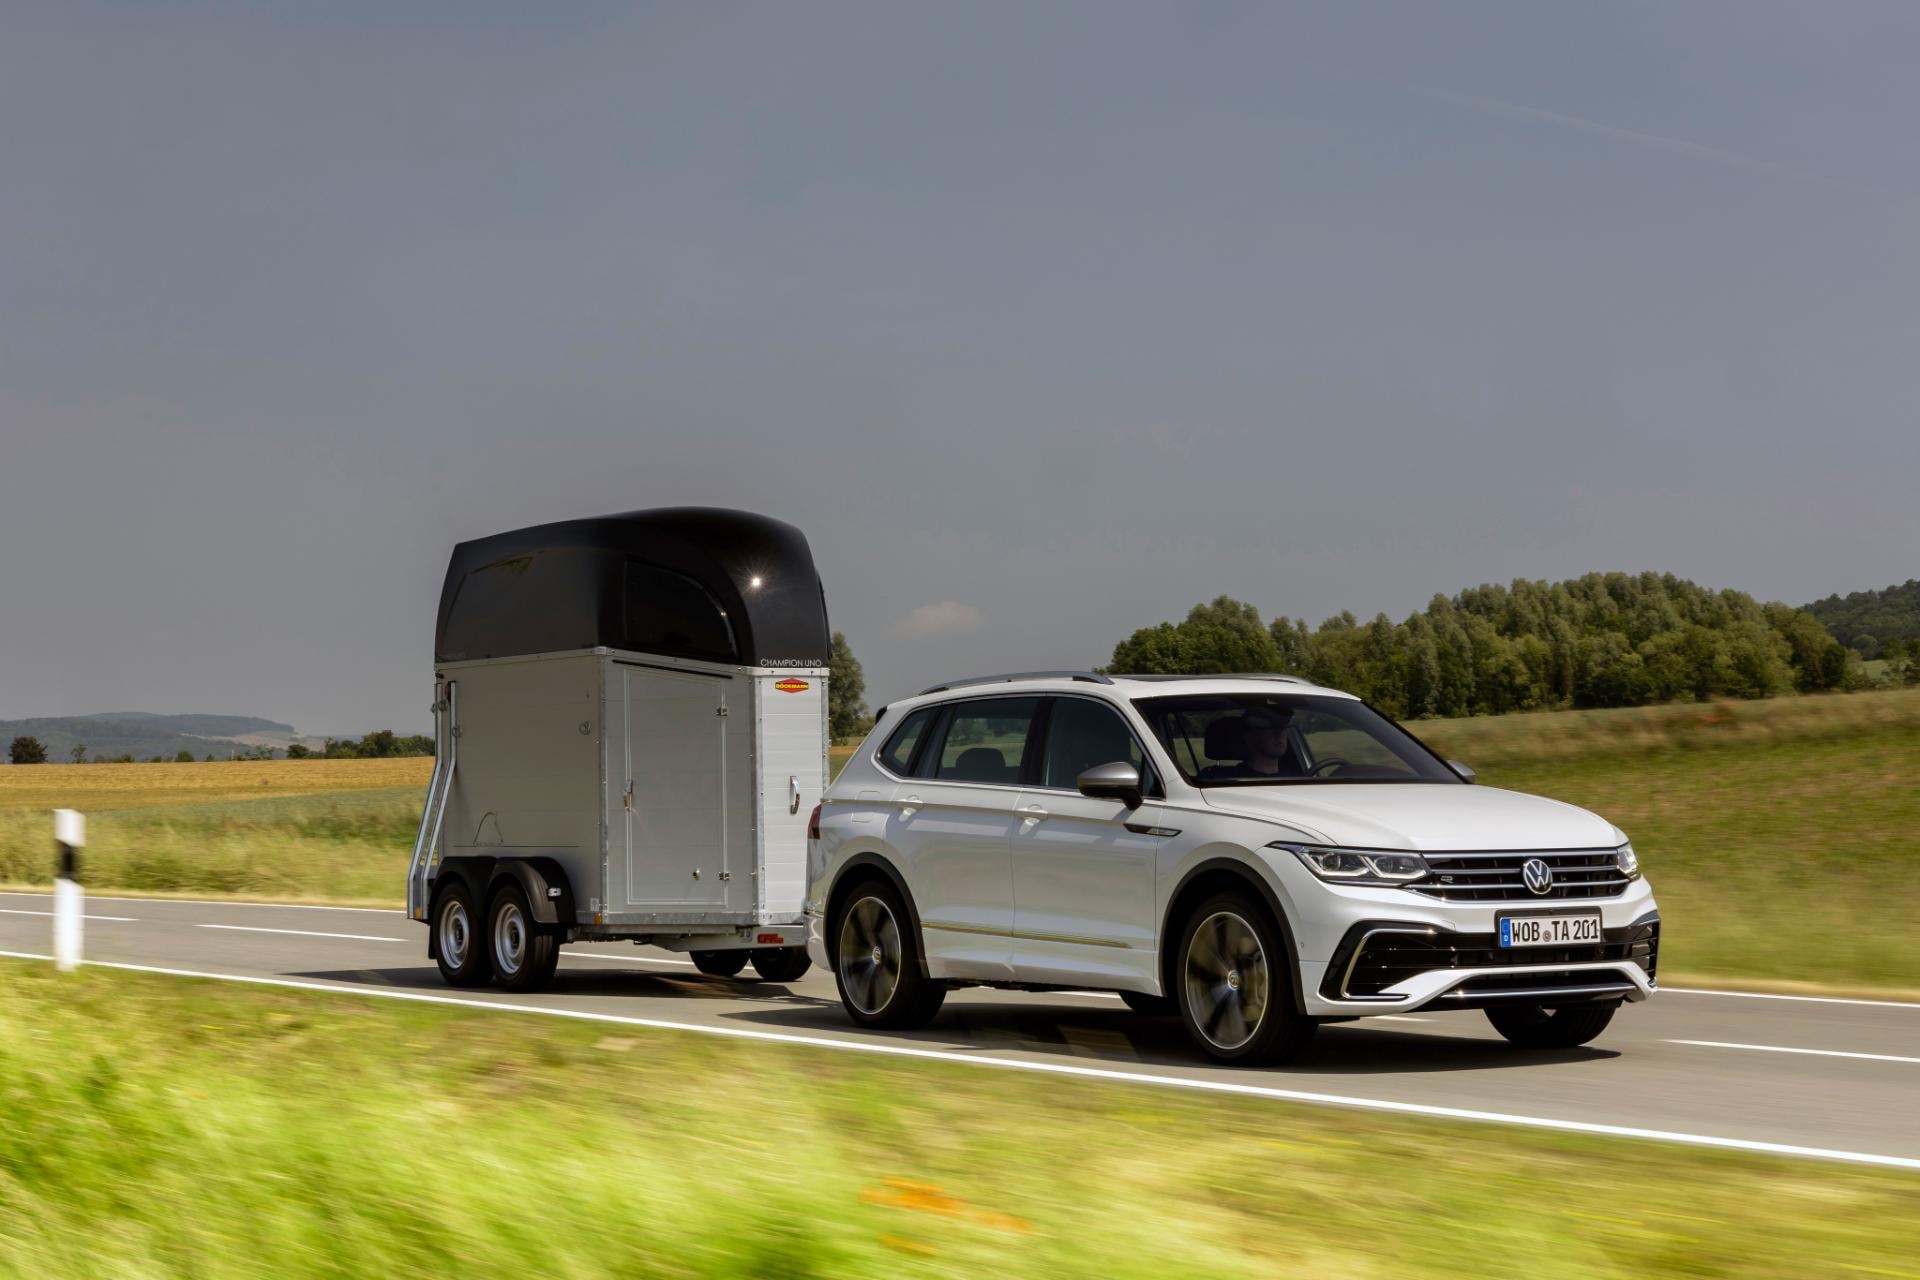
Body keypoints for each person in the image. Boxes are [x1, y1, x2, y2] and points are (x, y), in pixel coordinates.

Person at [1238, 706, 1303, 776]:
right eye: (1270, 728)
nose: (1279, 734)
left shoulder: (1297, 778)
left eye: (1283, 727)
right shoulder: (1233, 779)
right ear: (1249, 737)